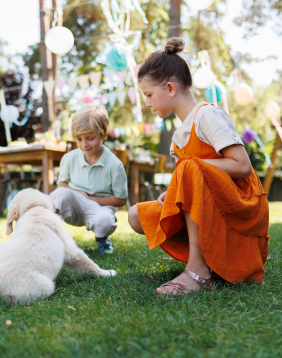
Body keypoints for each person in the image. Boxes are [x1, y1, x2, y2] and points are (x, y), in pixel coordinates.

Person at [128, 38, 269, 295]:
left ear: (170, 88)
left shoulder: (207, 115)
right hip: (209, 203)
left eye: (149, 95)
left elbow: (243, 166)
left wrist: (189, 171)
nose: (147, 102)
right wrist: (175, 190)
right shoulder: (178, 136)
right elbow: (191, 178)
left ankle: (199, 271)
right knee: (137, 216)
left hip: (239, 203)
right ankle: (208, 255)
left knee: (188, 167)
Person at [49, 105, 128, 254]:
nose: (84, 144)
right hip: (76, 205)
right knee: (58, 195)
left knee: (105, 221)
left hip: (100, 207)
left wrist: (93, 200)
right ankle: (51, 235)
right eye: (79, 139)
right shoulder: (69, 158)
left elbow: (121, 199)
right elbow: (62, 185)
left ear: (104, 135)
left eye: (90, 138)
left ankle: (102, 237)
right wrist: (78, 192)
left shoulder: (114, 165)